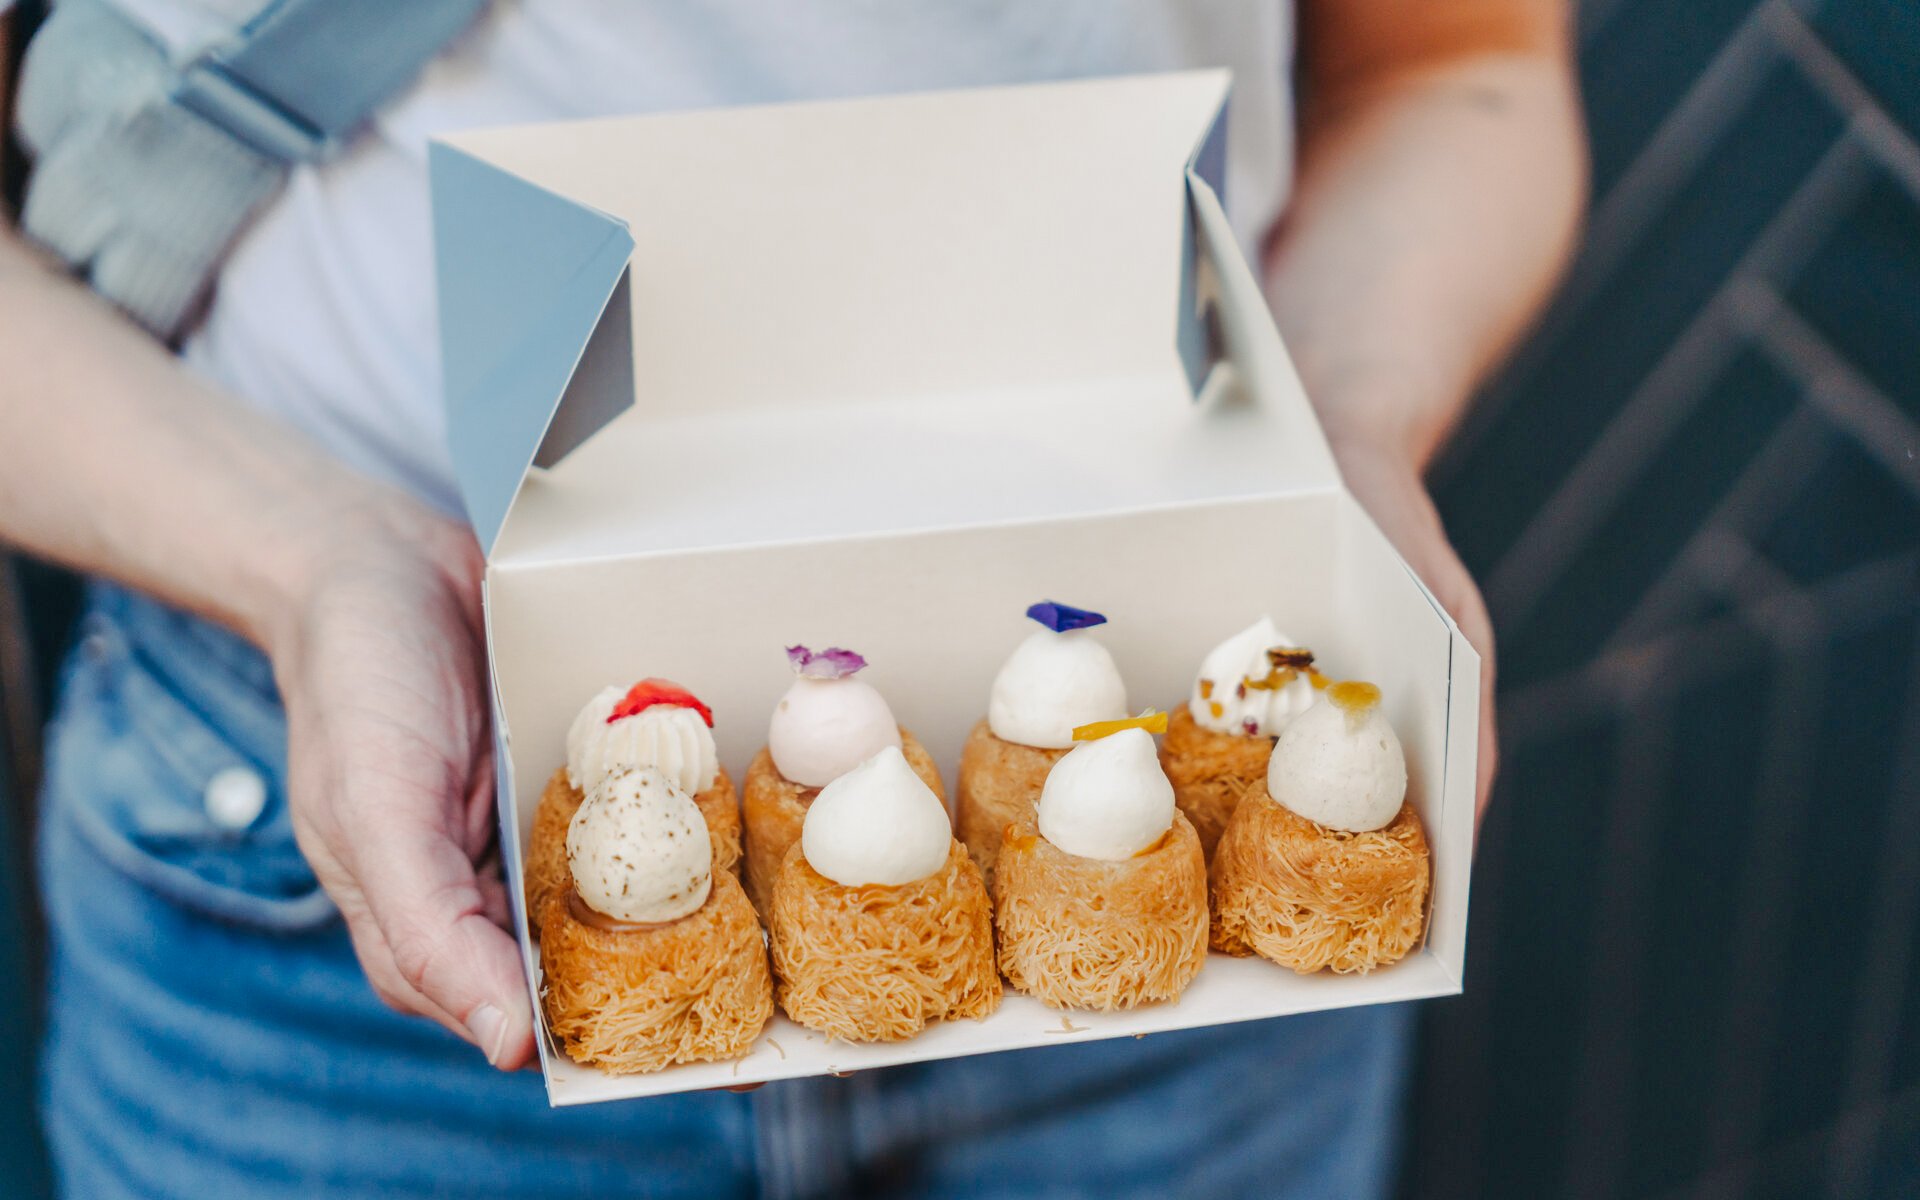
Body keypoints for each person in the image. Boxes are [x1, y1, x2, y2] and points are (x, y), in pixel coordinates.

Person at [0, 2, 1584, 1196]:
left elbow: (1458, 62)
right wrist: (308, 560)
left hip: (1194, 969)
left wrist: (1338, 436)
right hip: (317, 910)